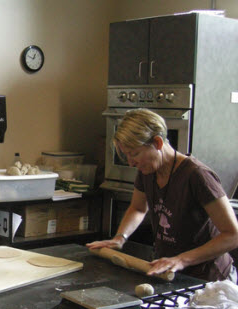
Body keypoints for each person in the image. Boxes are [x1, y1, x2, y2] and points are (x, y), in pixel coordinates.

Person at [87, 108, 238, 282]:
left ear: (157, 143)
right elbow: (137, 208)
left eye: (134, 153)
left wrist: (181, 259)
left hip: (209, 279)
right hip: (170, 272)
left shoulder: (197, 175)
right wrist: (120, 238)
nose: (131, 162)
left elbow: (232, 235)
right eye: (127, 155)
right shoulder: (147, 170)